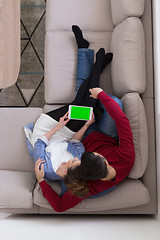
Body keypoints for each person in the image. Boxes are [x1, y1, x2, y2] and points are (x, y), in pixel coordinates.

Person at [24, 26, 113, 182]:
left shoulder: (47, 170)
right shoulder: (80, 163)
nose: (73, 159)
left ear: (66, 173)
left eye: (72, 162)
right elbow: (75, 142)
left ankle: (98, 65)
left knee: (83, 105)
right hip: (65, 135)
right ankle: (97, 66)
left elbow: (39, 144)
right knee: (84, 109)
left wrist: (58, 125)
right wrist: (86, 125)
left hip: (46, 131)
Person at [35, 87, 135, 212]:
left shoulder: (88, 184)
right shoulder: (127, 157)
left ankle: (90, 97)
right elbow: (122, 121)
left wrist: (41, 180)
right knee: (115, 102)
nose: (77, 158)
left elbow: (59, 206)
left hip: (84, 135)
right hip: (105, 135)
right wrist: (100, 95)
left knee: (85, 99)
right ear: (105, 162)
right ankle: (94, 98)